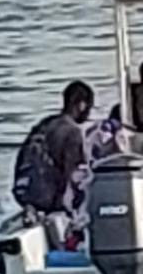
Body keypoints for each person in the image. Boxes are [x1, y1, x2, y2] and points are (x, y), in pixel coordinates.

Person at [12, 80, 94, 218]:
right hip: (47, 198)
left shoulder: (45, 124)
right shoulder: (72, 131)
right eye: (89, 107)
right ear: (82, 105)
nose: (89, 114)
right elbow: (73, 175)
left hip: (24, 193)